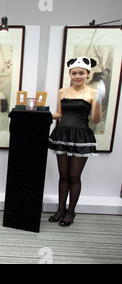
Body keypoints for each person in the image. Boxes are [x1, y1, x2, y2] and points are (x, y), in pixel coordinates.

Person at [48, 56, 102, 227]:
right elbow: (59, 114)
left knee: (74, 176)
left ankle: (71, 212)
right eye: (74, 73)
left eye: (81, 73)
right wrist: (39, 114)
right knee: (63, 176)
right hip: (62, 135)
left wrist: (98, 102)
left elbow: (95, 120)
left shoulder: (93, 93)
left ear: (88, 74)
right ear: (70, 74)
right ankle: (61, 209)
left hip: (81, 137)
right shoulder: (63, 91)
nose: (77, 76)